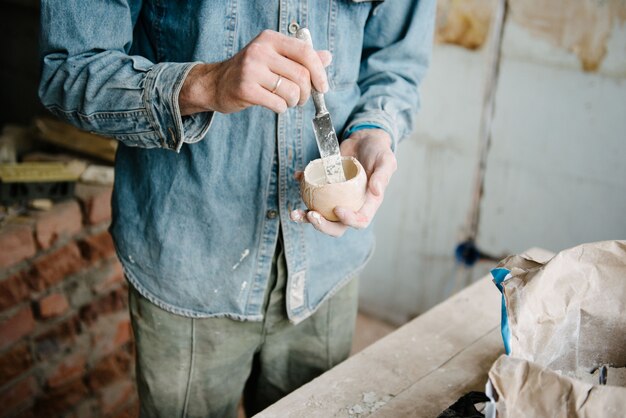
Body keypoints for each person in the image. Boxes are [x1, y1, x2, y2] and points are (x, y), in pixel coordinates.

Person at [39, 1, 435, 416]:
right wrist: (207, 84)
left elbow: (395, 63)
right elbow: (67, 70)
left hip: (325, 269)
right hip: (189, 260)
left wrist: (373, 128)